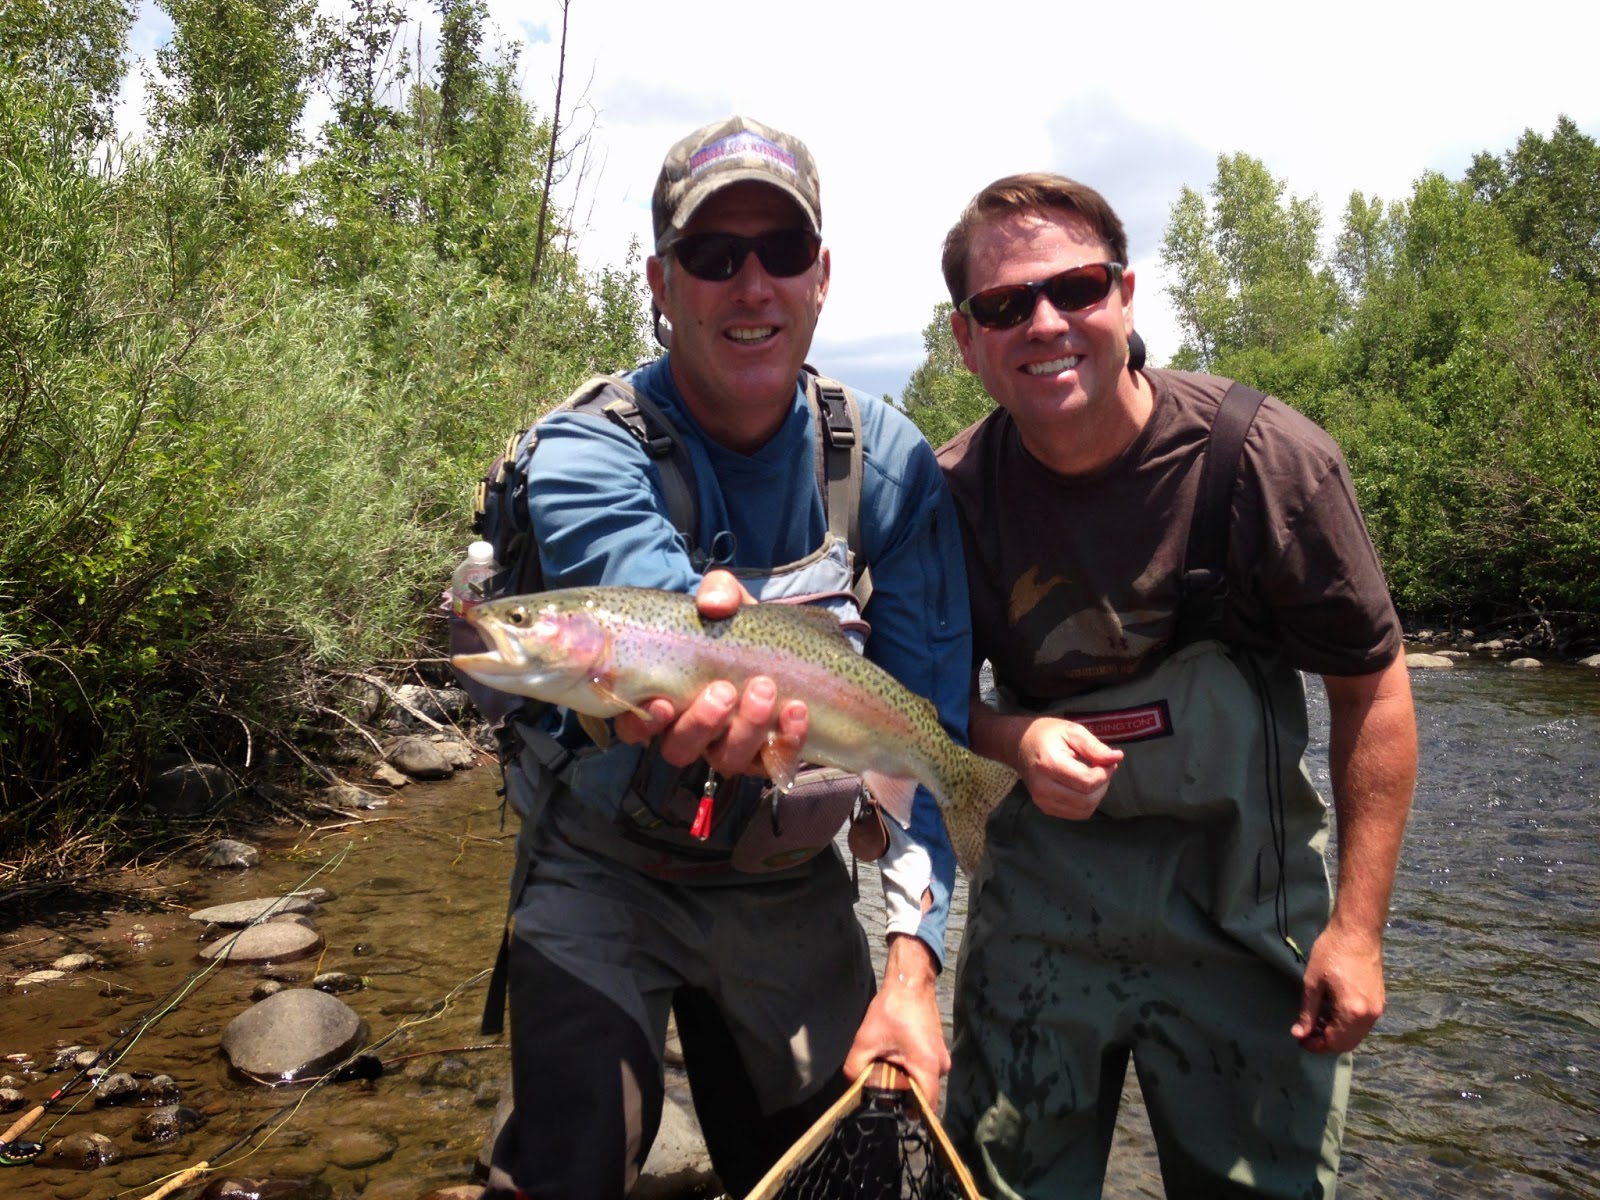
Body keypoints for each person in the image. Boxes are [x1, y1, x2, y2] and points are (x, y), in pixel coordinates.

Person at [479, 115, 966, 1200]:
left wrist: (912, 967)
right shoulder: (581, 446)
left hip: (785, 879)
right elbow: (657, 613)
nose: (752, 285)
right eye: (712, 256)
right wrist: (708, 633)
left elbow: (933, 725)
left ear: (822, 275)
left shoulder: (888, 464)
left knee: (833, 1180)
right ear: (660, 280)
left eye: (781, 252)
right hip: (601, 867)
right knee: (561, 1173)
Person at [932, 173, 1419, 1198]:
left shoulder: (1267, 464)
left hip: (1244, 903)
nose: (1047, 322)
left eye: (1078, 287)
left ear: (1126, 295)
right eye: (1006, 304)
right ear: (967, 339)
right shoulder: (947, 500)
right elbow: (920, 713)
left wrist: (1358, 931)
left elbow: (1371, 692)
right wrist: (1013, 740)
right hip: (1041, 908)